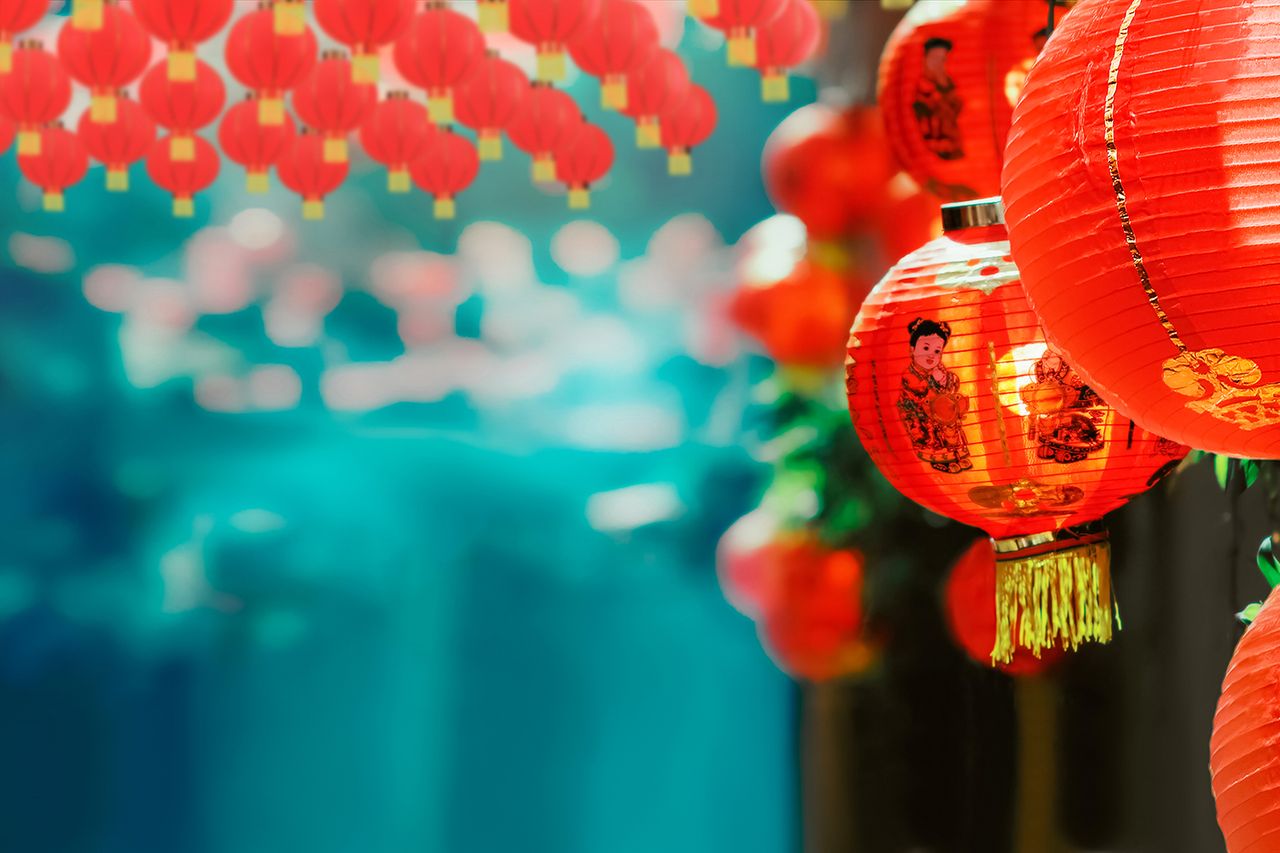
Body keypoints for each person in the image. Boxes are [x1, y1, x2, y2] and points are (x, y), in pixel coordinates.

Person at [898, 318, 972, 473]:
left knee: (951, 424)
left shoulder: (939, 370)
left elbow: (952, 385)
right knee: (934, 435)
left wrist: (945, 380)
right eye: (926, 348)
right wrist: (936, 382)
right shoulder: (910, 375)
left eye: (937, 351)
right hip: (920, 415)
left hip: (941, 412)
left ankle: (956, 454)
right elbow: (921, 393)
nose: (931, 355)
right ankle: (940, 460)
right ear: (912, 349)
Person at [913, 37, 963, 160]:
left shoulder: (947, 86)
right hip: (935, 145)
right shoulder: (924, 88)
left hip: (951, 144)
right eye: (934, 59)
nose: (939, 65)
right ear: (925, 60)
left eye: (942, 60)